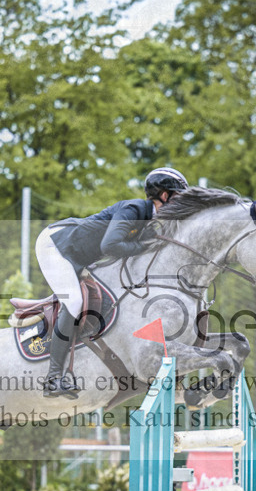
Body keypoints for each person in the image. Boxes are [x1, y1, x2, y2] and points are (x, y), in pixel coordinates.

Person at [35, 167, 189, 399]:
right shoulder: (135, 209)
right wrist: (143, 246)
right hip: (56, 246)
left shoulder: (148, 219)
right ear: (164, 196)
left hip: (77, 252)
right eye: (177, 197)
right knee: (74, 302)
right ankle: (53, 378)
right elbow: (110, 246)